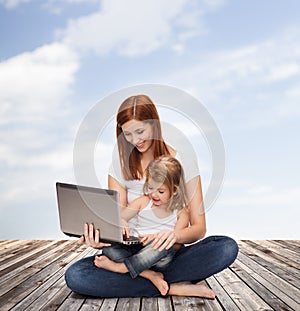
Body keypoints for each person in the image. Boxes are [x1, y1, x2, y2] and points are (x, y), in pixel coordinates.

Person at [65, 94, 238, 298]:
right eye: (127, 134)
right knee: (75, 276)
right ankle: (169, 285)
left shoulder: (183, 161)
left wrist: (173, 236)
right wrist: (100, 237)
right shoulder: (119, 167)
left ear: (154, 125)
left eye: (140, 131)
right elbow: (119, 221)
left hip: (168, 251)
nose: (135, 140)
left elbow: (199, 228)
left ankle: (135, 275)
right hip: (129, 251)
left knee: (225, 248)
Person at [95, 156, 190, 296]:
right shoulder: (143, 202)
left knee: (165, 245)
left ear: (174, 190)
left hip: (158, 256)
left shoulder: (181, 213)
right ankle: (149, 275)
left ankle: (120, 268)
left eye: (161, 191)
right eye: (151, 188)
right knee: (109, 249)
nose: (154, 194)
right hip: (135, 250)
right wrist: (122, 222)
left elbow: (177, 244)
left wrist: (156, 239)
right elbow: (119, 217)